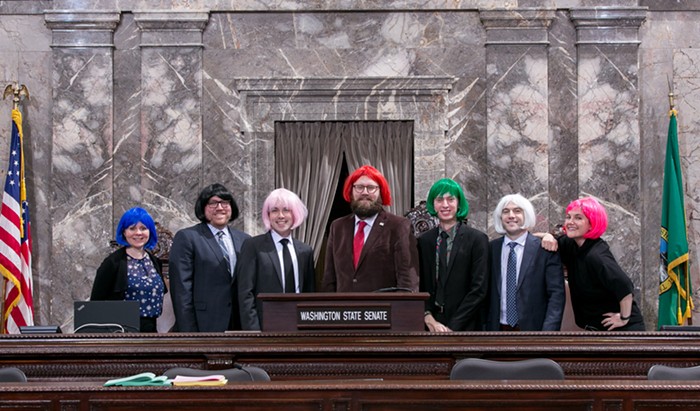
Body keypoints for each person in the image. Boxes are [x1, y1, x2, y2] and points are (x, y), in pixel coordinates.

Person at [543, 196, 645, 331]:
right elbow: (540, 240)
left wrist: (623, 318)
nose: (570, 222)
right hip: (596, 329)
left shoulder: (596, 256)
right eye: (568, 217)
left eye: (578, 218)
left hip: (622, 331)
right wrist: (547, 236)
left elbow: (625, 287)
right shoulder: (571, 243)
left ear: (591, 224)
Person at [322, 165, 419, 292]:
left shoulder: (399, 226)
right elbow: (329, 279)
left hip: (383, 309)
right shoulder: (337, 227)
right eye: (359, 187)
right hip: (344, 309)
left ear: (381, 192)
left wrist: (402, 311)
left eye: (371, 188)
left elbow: (408, 281)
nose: (365, 192)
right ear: (351, 191)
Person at [169, 183, 251, 332]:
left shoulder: (245, 240)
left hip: (239, 325)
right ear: (203, 208)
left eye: (224, 202)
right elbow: (181, 290)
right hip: (203, 325)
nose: (219, 208)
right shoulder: (187, 237)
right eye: (212, 203)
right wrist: (189, 333)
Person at [238, 188, 316, 330]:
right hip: (264, 328)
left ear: (295, 214)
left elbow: (310, 293)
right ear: (268, 215)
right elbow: (245, 293)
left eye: (286, 210)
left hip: (299, 328)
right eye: (274, 210)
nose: (280, 216)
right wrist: (253, 332)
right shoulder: (253, 246)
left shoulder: (305, 251)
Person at [417, 178, 489, 332]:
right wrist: (429, 318)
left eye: (451, 199)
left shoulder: (477, 239)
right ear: (433, 204)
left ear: (459, 203)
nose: (445, 205)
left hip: (467, 326)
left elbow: (479, 289)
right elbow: (421, 285)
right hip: (430, 326)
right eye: (439, 199)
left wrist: (452, 327)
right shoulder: (424, 241)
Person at [486, 194, 565, 331]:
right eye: (506, 211)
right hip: (495, 330)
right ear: (500, 218)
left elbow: (556, 296)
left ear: (526, 215)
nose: (511, 215)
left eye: (517, 211)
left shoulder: (544, 250)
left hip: (534, 332)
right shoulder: (490, 249)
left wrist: (548, 334)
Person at [91, 207, 166, 332]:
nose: (138, 233)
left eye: (143, 228)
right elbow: (96, 304)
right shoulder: (112, 263)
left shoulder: (155, 261)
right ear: (124, 232)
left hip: (152, 331)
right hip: (120, 333)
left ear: (150, 232)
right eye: (132, 228)